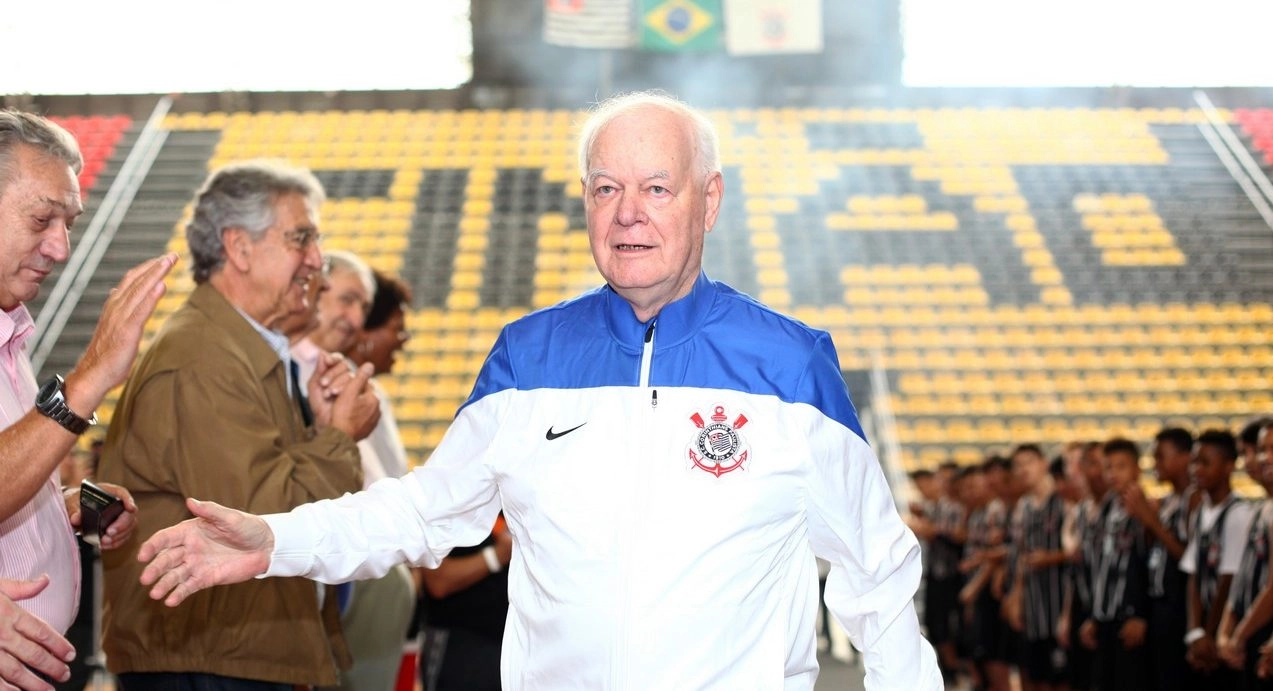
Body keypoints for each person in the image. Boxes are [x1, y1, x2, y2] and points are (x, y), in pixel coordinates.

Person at [131, 92, 942, 690]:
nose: (627, 214)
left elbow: (877, 572)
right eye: (604, 188)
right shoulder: (527, 355)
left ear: (709, 198)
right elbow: (420, 511)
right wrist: (274, 540)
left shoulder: (791, 364)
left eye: (656, 188)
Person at [96, 160, 382, 691]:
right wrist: (339, 436)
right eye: (301, 239)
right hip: (207, 659)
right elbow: (264, 516)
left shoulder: (235, 349)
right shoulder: (204, 357)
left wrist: (323, 430)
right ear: (239, 247)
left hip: (225, 652)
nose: (316, 261)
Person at [0, 108, 174, 691]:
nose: (61, 247)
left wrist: (61, 504)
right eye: (42, 219)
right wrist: (91, 376)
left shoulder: (12, 333)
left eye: (69, 223)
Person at [1180, 429, 1255, 686]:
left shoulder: (1239, 513)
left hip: (1226, 633)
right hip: (1204, 633)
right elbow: (1193, 575)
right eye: (1193, 461)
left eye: (1205, 463)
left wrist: (1210, 636)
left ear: (1228, 467)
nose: (1196, 469)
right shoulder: (1199, 511)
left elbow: (1229, 581)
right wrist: (1195, 633)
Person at [1078, 438, 1150, 690]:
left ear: (1137, 469)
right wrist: (1094, 616)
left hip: (1129, 620)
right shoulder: (1108, 508)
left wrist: (1140, 613)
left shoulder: (1146, 508)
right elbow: (1103, 568)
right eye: (1108, 467)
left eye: (1121, 466)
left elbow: (1148, 566)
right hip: (1105, 618)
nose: (1113, 474)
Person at [1006, 445, 1068, 691]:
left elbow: (1079, 551)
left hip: (1061, 603)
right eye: (1017, 465)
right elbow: (1023, 554)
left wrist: (1051, 558)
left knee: (1064, 679)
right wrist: (1017, 596)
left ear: (1043, 463)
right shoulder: (1024, 507)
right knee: (1037, 677)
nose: (1023, 469)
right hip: (1034, 607)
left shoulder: (1063, 498)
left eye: (1028, 462)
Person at [1219, 419, 1273, 689]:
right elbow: (1240, 578)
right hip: (1254, 639)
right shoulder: (1260, 509)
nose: (1265, 458)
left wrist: (1238, 635)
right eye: (1262, 449)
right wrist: (1225, 633)